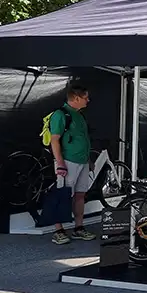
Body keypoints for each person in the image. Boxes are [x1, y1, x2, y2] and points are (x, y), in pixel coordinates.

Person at [48, 82, 96, 245]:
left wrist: (88, 159)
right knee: (63, 195)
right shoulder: (60, 114)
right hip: (68, 161)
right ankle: (58, 230)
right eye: (85, 97)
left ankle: (79, 227)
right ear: (76, 98)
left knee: (80, 194)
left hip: (82, 161)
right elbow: (54, 140)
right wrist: (60, 163)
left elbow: (83, 139)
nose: (88, 100)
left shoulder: (80, 115)